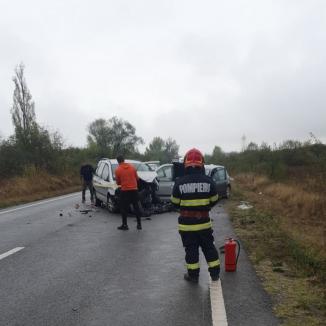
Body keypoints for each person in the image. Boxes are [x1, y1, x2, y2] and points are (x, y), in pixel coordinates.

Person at [171, 148, 220, 283]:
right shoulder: (209, 181)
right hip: (204, 223)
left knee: (191, 251)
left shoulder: (179, 182)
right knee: (209, 248)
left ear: (185, 165)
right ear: (201, 164)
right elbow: (215, 199)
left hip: (186, 226)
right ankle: (215, 274)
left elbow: (174, 203)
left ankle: (193, 276)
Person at [115, 155, 142, 231]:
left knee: (124, 208)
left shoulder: (118, 170)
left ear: (118, 161)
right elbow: (137, 178)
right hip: (134, 190)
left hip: (125, 191)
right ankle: (139, 225)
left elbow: (118, 183)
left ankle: (125, 225)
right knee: (136, 207)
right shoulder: (132, 167)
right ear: (124, 160)